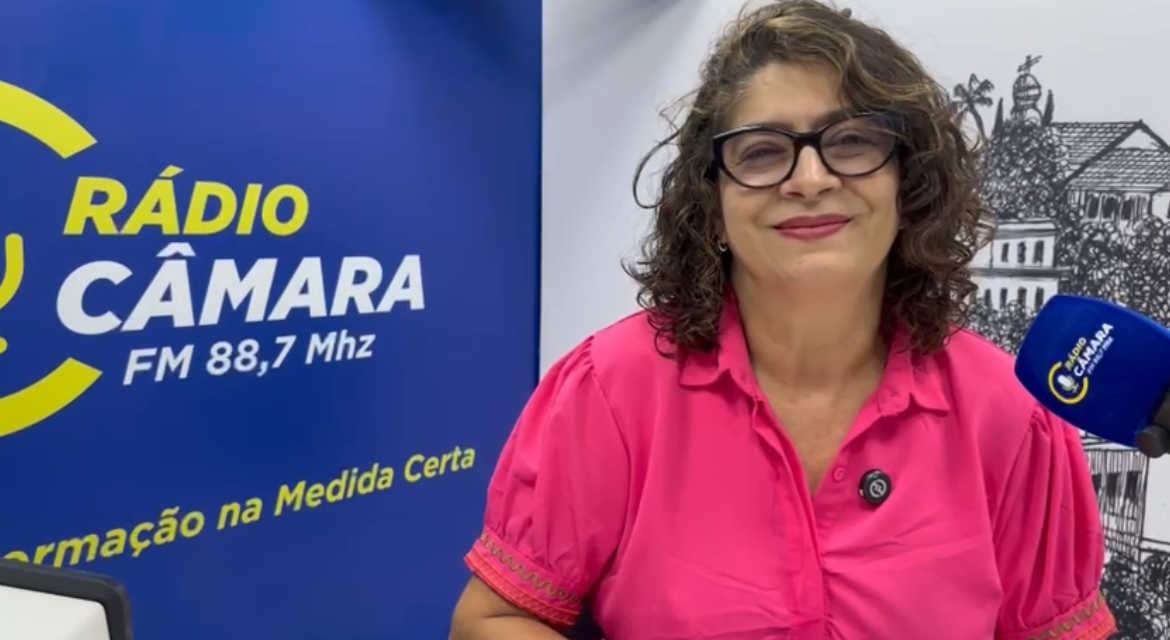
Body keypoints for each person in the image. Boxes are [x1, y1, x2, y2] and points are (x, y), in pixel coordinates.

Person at [449, 1, 1116, 639]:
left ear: (907, 187)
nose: (810, 178)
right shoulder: (609, 391)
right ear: (712, 206)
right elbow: (491, 622)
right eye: (762, 152)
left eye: (851, 142)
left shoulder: (1010, 415)